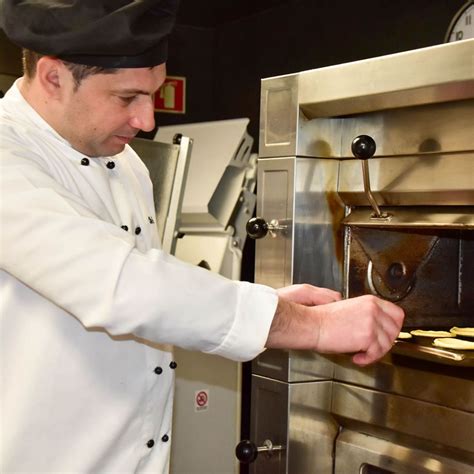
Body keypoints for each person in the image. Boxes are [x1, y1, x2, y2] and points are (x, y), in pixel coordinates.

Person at [0, 0, 404, 472]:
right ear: (53, 77)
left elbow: (155, 295)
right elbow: (123, 287)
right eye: (126, 97)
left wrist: (263, 302)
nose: (147, 120)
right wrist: (311, 326)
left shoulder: (125, 163)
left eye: (155, 93)